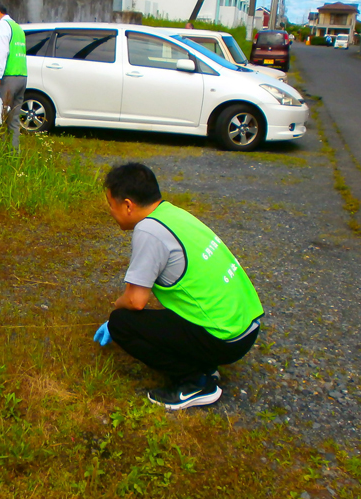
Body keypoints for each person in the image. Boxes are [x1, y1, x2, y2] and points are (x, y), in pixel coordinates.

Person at [93, 163, 263, 410]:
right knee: (168, 319)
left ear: (128, 205)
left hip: (225, 339)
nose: (110, 210)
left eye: (111, 204)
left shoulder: (149, 230)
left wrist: (114, 313)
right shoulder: (172, 214)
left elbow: (135, 301)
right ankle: (204, 366)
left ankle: (194, 383)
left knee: (122, 323)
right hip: (245, 325)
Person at [0, 0, 27, 151]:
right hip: (22, 76)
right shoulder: (17, 27)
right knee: (14, 121)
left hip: (9, 78)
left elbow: (3, 51)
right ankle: (13, 155)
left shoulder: (3, 25)